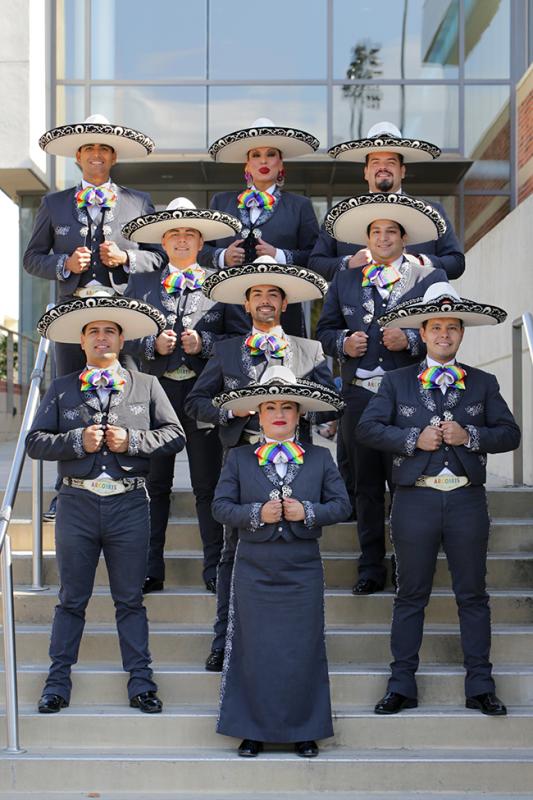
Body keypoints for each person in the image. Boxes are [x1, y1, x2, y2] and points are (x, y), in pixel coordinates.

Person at [356, 282, 520, 716]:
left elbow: (510, 433)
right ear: (423, 333)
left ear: (461, 334)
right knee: (411, 594)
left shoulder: (483, 382)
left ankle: (480, 685)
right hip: (416, 501)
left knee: (473, 595)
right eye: (436, 327)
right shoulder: (395, 382)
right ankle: (401, 684)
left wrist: (472, 436)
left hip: (466, 501)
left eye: (452, 327)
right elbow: (367, 430)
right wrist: (413, 438)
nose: (444, 334)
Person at [26, 295, 186, 714]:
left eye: (110, 331)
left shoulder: (147, 385)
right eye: (94, 331)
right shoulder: (61, 388)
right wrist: (76, 441)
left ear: (121, 339)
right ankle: (57, 683)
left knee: (130, 599)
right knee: (71, 599)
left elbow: (174, 435)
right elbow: (34, 442)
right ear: (82, 342)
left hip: (129, 504)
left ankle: (141, 683)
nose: (102, 337)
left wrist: (131, 441)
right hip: (76, 503)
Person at [185, 256, 334, 671]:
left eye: (273, 294)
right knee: (232, 556)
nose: (265, 301)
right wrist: (228, 412)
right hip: (241, 463)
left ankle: (298, 643)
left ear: (284, 304)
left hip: (296, 465)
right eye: (257, 295)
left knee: (296, 550)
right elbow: (195, 401)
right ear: (246, 305)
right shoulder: (227, 349)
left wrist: (304, 408)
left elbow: (330, 404)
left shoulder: (309, 350)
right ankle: (224, 640)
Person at [212, 366, 351, 757]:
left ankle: (305, 729)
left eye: (287, 406)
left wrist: (306, 511)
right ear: (258, 413)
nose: (278, 413)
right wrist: (257, 513)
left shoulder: (321, 459)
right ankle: (251, 729)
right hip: (254, 566)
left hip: (302, 567)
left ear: (299, 414)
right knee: (252, 648)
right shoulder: (238, 459)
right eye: (270, 406)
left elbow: (342, 505)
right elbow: (220, 507)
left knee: (302, 647)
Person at [316, 194, 449, 595]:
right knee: (366, 484)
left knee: (406, 481)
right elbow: (324, 331)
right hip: (359, 394)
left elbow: (443, 335)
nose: (384, 238)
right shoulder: (345, 278)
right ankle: (370, 566)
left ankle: (407, 564)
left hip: (406, 394)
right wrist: (343, 344)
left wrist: (410, 339)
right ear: (367, 238)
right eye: (377, 232)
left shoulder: (426, 278)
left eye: (392, 231)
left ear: (404, 238)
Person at [122, 197, 249, 593]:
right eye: (174, 234)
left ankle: (214, 567)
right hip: (155, 397)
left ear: (200, 241)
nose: (181, 240)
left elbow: (238, 338)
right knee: (154, 485)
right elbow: (124, 334)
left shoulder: (219, 284)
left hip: (200, 395)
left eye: (189, 234)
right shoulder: (141, 283)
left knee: (206, 484)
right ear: (163, 240)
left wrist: (205, 343)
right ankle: (149, 567)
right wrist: (151, 345)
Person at [24, 114, 165, 376]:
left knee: (128, 388)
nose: (96, 154)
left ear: (114, 157)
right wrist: (65, 263)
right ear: (78, 156)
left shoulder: (139, 201)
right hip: (71, 313)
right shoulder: (53, 203)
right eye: (89, 148)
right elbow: (32, 258)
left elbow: (158, 257)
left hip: (123, 313)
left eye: (104, 149)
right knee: (67, 388)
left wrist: (125, 257)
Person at [198, 117, 320, 336]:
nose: (263, 161)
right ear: (247, 164)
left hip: (283, 313)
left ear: (281, 163)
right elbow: (200, 251)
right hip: (229, 312)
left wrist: (280, 256)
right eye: (256, 155)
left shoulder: (300, 206)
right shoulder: (221, 202)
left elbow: (315, 257)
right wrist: (222, 256)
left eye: (270, 155)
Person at [309, 121, 465, 281]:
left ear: (402, 171)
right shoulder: (340, 214)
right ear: (366, 172)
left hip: (414, 301)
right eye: (376, 162)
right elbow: (316, 263)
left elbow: (457, 263)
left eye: (391, 162)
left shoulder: (432, 212)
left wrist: (421, 261)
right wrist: (349, 263)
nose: (383, 168)